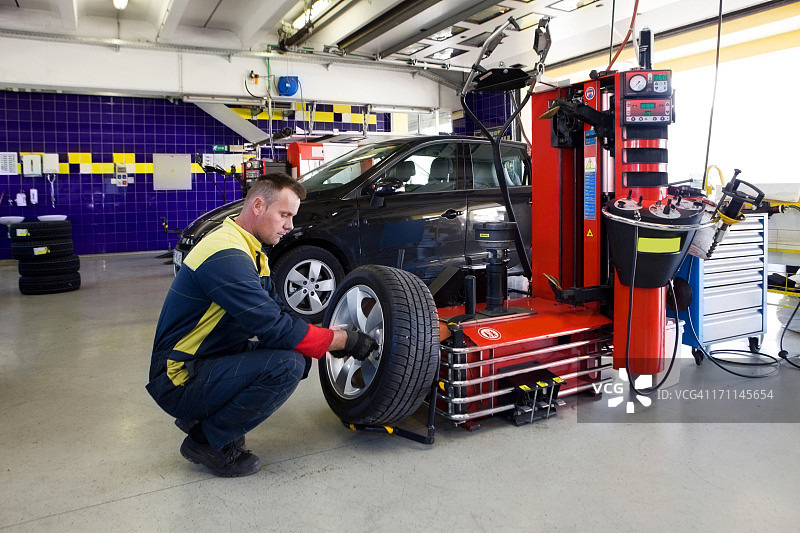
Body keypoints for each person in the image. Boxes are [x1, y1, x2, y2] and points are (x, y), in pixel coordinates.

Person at [146, 172, 377, 477]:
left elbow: (282, 315)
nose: (290, 225)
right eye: (284, 214)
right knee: (287, 365)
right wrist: (344, 340)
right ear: (257, 205)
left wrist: (321, 339)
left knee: (294, 354)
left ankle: (207, 417)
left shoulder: (250, 252)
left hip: (206, 357)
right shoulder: (225, 255)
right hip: (178, 378)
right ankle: (205, 441)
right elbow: (275, 328)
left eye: (292, 217)